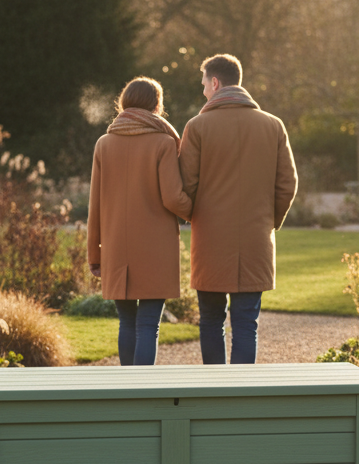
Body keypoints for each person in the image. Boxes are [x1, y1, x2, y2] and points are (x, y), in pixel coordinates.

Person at [179, 53, 297, 365]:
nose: (203, 91)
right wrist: (269, 222)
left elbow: (185, 185)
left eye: (204, 84)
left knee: (211, 321)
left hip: (210, 242)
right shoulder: (273, 125)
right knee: (246, 324)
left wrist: (192, 217)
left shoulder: (197, 127)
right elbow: (288, 184)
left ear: (215, 82)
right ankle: (241, 400)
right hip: (255, 241)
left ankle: (214, 396)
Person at [88, 77, 192, 365]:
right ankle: (144, 394)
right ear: (157, 104)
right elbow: (173, 197)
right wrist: (195, 210)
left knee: (127, 323)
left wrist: (94, 255)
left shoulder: (104, 143)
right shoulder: (164, 142)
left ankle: (127, 393)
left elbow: (95, 205)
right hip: (155, 249)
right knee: (148, 325)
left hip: (117, 249)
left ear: (124, 102)